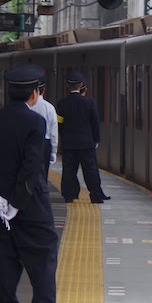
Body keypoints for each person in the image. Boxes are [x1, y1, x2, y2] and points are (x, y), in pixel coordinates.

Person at [0, 64, 80, 303]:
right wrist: (17, 203)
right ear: (34, 94)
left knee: (8, 264)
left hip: (0, 211)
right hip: (31, 209)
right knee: (43, 260)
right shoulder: (36, 123)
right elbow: (33, 168)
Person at [55, 70, 110, 203]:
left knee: (68, 170)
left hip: (68, 143)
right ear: (81, 85)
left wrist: (65, 136)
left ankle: (69, 194)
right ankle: (96, 195)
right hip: (86, 143)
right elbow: (95, 123)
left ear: (67, 85)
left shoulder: (62, 103)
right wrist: (96, 139)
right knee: (90, 169)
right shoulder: (89, 103)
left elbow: (59, 123)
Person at [31, 76, 59, 175]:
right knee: (43, 174)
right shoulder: (50, 108)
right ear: (44, 90)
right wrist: (53, 152)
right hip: (45, 144)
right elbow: (53, 132)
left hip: (29, 143)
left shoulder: (27, 106)